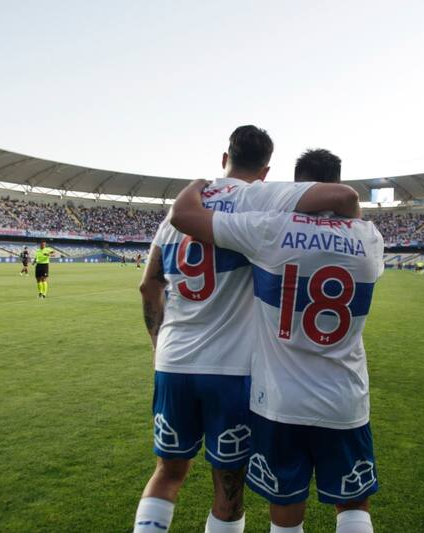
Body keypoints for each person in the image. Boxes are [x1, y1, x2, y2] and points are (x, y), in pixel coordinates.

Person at [135, 127, 360, 533]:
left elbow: (149, 285)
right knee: (228, 493)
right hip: (231, 370)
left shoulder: (176, 216)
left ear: (225, 158)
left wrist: (157, 342)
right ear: (267, 170)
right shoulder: (258, 201)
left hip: (172, 363)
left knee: (167, 474)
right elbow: (339, 199)